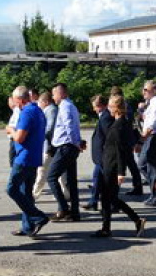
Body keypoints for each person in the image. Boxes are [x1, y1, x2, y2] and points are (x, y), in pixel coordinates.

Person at [94, 95, 147, 238]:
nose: (108, 109)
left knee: (109, 197)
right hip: (108, 162)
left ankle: (135, 220)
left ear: (116, 108)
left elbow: (120, 150)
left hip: (112, 165)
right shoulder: (121, 122)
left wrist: (120, 172)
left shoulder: (119, 125)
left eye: (110, 106)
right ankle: (108, 227)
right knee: (108, 197)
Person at [7, 86, 51, 237]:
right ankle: (28, 226)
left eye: (14, 100)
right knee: (26, 192)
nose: (14, 103)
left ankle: (38, 217)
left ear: (20, 100)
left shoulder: (27, 112)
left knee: (12, 189)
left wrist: (10, 130)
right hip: (34, 156)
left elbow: (19, 138)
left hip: (24, 157)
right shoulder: (38, 110)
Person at [47, 82, 83, 221]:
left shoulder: (65, 106)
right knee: (71, 181)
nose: (53, 97)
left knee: (51, 176)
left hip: (66, 146)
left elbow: (70, 127)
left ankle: (63, 208)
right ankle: (74, 212)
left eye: (54, 94)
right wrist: (78, 143)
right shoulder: (70, 105)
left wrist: (76, 143)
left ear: (60, 93)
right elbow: (75, 126)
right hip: (70, 146)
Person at [136, 80, 156, 206]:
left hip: (153, 137)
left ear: (154, 91)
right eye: (143, 89)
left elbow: (152, 125)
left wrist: (140, 141)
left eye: (146, 90)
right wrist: (141, 110)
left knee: (150, 167)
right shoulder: (150, 102)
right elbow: (146, 119)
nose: (143, 92)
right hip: (150, 137)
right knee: (145, 166)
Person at [110, 85, 143, 197]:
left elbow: (127, 122)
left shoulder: (123, 106)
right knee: (130, 163)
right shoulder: (126, 104)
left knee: (128, 163)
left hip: (126, 138)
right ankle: (137, 186)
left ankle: (137, 187)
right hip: (129, 137)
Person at [33, 92, 67, 200]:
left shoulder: (50, 110)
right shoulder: (52, 109)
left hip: (49, 146)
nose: (38, 104)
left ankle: (34, 194)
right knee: (59, 171)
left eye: (40, 102)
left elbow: (50, 128)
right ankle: (65, 193)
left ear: (45, 102)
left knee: (42, 170)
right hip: (53, 145)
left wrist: (39, 135)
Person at [83, 95, 113, 211]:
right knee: (97, 178)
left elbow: (108, 137)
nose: (94, 109)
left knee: (105, 180)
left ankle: (111, 203)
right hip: (101, 156)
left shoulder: (106, 117)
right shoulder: (103, 116)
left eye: (95, 106)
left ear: (101, 106)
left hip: (103, 155)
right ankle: (93, 201)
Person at [6, 96, 20, 167]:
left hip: (15, 138)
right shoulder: (15, 111)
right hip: (13, 137)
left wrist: (10, 129)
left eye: (10, 101)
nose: (9, 104)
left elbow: (16, 124)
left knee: (13, 159)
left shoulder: (17, 110)